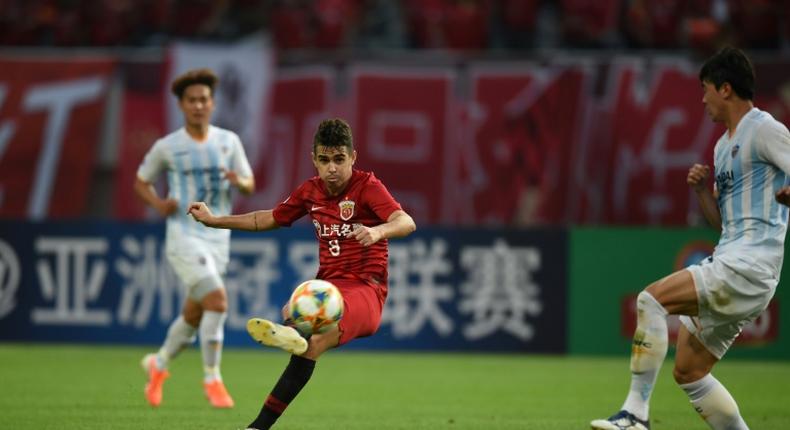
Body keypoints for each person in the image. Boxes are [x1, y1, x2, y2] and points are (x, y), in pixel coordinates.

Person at [591, 46, 790, 430]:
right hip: (735, 260)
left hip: (750, 265)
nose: (703, 100)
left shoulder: (765, 129)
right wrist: (702, 193)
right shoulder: (721, 146)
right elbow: (725, 225)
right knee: (690, 372)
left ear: (726, 89)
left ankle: (634, 415)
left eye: (706, 89)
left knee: (651, 300)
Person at [188, 118, 416, 429]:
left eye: (338, 159)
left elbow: (406, 221)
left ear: (353, 157)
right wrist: (214, 221)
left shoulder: (368, 187)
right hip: (328, 286)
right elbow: (265, 219)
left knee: (310, 330)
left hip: (365, 290)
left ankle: (294, 337)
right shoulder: (310, 192)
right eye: (324, 160)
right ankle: (293, 338)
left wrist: (378, 232)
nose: (331, 168)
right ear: (314, 160)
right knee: (303, 331)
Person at [134, 68, 255, 409]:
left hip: (219, 237)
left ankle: (158, 366)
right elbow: (141, 181)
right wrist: (159, 204)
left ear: (213, 103)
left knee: (194, 315)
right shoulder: (168, 146)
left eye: (204, 99)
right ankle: (212, 378)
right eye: (192, 100)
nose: (199, 105)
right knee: (217, 301)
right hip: (184, 236)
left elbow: (249, 182)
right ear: (182, 105)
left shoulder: (228, 142)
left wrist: (238, 180)